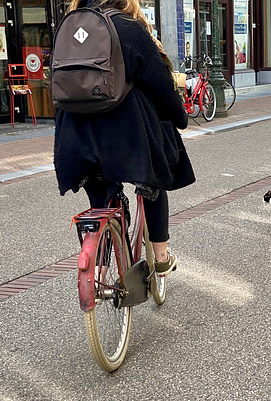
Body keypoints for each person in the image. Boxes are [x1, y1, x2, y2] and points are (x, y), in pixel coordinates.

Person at [53, 0, 195, 276]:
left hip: (75, 134)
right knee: (153, 182)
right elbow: (161, 86)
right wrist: (179, 117)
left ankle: (100, 266)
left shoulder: (68, 27)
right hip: (125, 135)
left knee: (99, 195)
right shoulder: (129, 27)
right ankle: (162, 257)